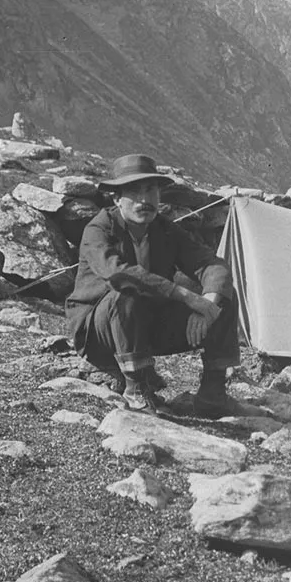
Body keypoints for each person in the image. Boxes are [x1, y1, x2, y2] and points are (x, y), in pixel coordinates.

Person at [66, 154, 240, 415]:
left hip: (146, 326)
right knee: (126, 293)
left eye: (151, 191)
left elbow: (211, 264)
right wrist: (183, 295)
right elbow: (117, 274)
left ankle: (213, 395)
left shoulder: (165, 229)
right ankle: (137, 389)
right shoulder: (99, 228)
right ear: (117, 198)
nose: (145, 201)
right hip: (98, 331)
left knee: (224, 297)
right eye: (135, 193)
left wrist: (208, 304)